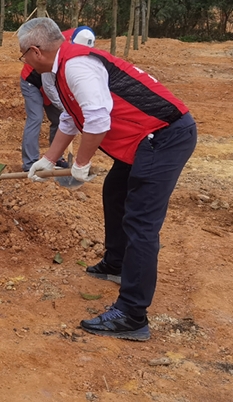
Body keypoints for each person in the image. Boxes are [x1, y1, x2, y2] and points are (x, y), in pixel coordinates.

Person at [19, 17, 196, 341]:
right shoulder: (62, 69)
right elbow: (73, 118)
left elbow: (98, 119)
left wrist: (81, 163)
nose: (25, 64)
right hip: (143, 140)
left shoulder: (76, 66)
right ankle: (116, 264)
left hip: (164, 136)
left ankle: (132, 315)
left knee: (141, 222)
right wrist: (47, 160)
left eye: (23, 57)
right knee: (116, 191)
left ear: (35, 51)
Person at [20, 26, 96, 171]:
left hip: (53, 84)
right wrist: (68, 107)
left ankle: (56, 158)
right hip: (33, 82)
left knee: (59, 119)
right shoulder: (56, 48)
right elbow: (48, 86)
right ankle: (30, 163)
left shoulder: (86, 42)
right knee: (36, 118)